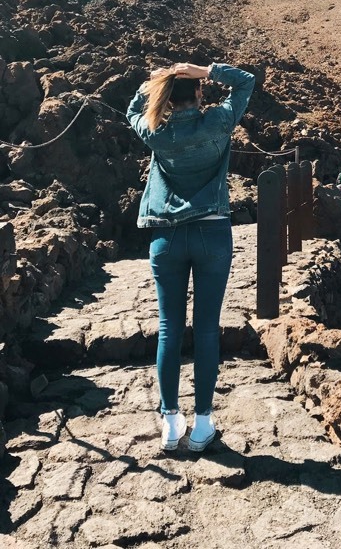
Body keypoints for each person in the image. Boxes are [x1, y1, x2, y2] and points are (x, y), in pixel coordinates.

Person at [127, 61, 255, 452]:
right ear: (198, 94)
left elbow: (133, 110)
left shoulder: (156, 132)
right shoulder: (217, 121)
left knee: (169, 328)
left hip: (166, 238)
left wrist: (156, 78)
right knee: (206, 329)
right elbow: (246, 82)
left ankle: (169, 421)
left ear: (167, 98)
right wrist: (203, 70)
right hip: (213, 234)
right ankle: (202, 423)